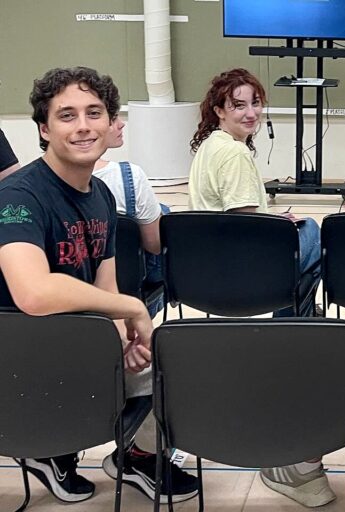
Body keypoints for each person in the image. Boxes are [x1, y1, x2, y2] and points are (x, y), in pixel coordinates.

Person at [0, 66, 197, 505]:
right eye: (67, 115)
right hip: (20, 357)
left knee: (167, 358)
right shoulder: (19, 197)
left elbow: (103, 287)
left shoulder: (101, 196)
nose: (84, 126)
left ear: (112, 124)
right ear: (43, 129)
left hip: (75, 345)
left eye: (95, 112)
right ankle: (53, 445)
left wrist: (119, 341)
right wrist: (131, 307)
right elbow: (32, 293)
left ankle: (135, 453)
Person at [188, 68, 321, 317]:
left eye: (256, 103)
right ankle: (292, 326)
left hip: (207, 262)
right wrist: (275, 226)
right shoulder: (235, 153)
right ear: (219, 111)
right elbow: (246, 227)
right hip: (238, 267)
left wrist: (273, 219)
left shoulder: (209, 145)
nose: (251, 113)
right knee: (311, 232)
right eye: (239, 106)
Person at [93, 114, 167, 317]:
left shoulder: (33, 184)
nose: (121, 124)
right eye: (114, 118)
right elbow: (155, 245)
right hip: (128, 297)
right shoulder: (130, 178)